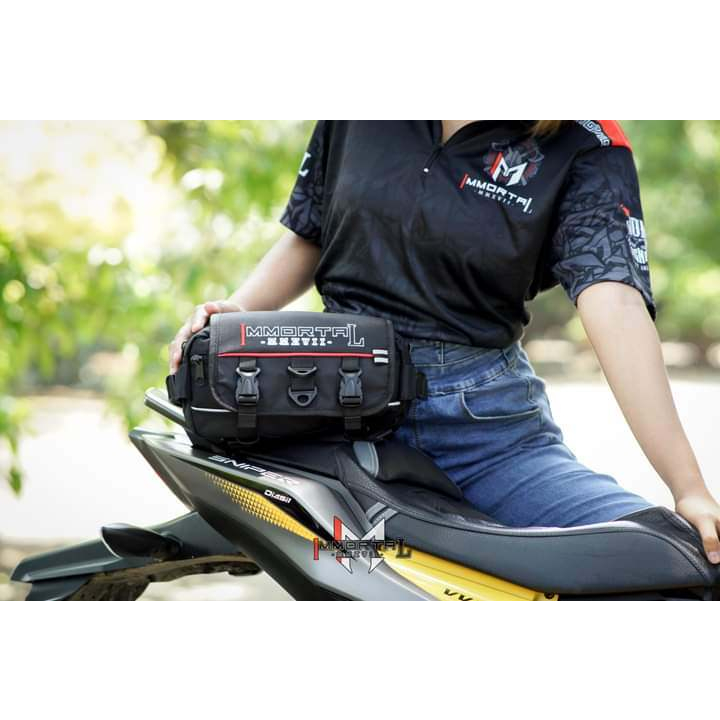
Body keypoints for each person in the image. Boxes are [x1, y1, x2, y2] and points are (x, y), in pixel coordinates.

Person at [169, 120, 720, 563]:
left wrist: (689, 487)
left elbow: (615, 305)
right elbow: (310, 233)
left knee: (663, 562)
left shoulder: (585, 141)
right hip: (327, 402)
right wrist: (238, 311)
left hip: (486, 434)